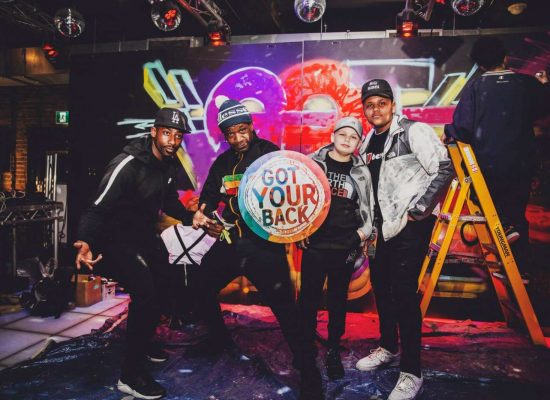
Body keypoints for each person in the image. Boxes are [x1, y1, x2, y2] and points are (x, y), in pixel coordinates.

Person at [192, 98, 323, 399]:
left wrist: (301, 227)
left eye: (242, 130)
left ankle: (309, 370)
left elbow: (292, 197)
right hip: (231, 243)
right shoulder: (223, 164)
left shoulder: (271, 155)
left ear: (251, 127)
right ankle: (218, 339)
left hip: (265, 249)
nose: (237, 138)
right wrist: (203, 213)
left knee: (287, 312)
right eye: (230, 134)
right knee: (199, 285)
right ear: (224, 136)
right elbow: (209, 198)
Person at [74, 108, 192, 400]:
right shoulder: (127, 164)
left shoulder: (168, 163)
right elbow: (97, 207)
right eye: (167, 133)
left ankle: (144, 341)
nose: (172, 141)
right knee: (146, 292)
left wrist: (192, 217)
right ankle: (130, 375)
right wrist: (85, 240)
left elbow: (169, 201)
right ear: (153, 132)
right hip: (113, 239)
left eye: (178, 136)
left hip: (141, 235)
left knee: (166, 281)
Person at [355, 79, 453, 400]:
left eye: (382, 103)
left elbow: (443, 167)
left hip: (410, 226)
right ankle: (388, 346)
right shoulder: (368, 139)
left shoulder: (414, 131)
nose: (376, 109)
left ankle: (412, 371)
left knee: (403, 293)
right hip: (381, 229)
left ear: (392, 105)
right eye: (370, 104)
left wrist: (420, 210)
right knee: (381, 289)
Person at [444, 36, 550, 280]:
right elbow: (544, 107)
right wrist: (544, 84)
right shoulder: (525, 83)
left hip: (489, 164)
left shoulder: (476, 88)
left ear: (480, 65)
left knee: (492, 206)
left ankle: (510, 243)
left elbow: (462, 128)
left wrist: (449, 134)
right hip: (522, 162)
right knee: (515, 210)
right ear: (505, 58)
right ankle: (518, 266)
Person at [298, 116, 374, 380]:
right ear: (332, 136)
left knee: (338, 300)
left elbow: (369, 209)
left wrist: (359, 236)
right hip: (315, 243)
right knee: (307, 298)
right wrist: (300, 230)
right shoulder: (311, 162)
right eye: (342, 134)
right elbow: (296, 199)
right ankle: (305, 350)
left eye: (353, 137)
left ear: (358, 143)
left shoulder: (362, 172)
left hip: (345, 245)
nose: (346, 140)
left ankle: (332, 350)